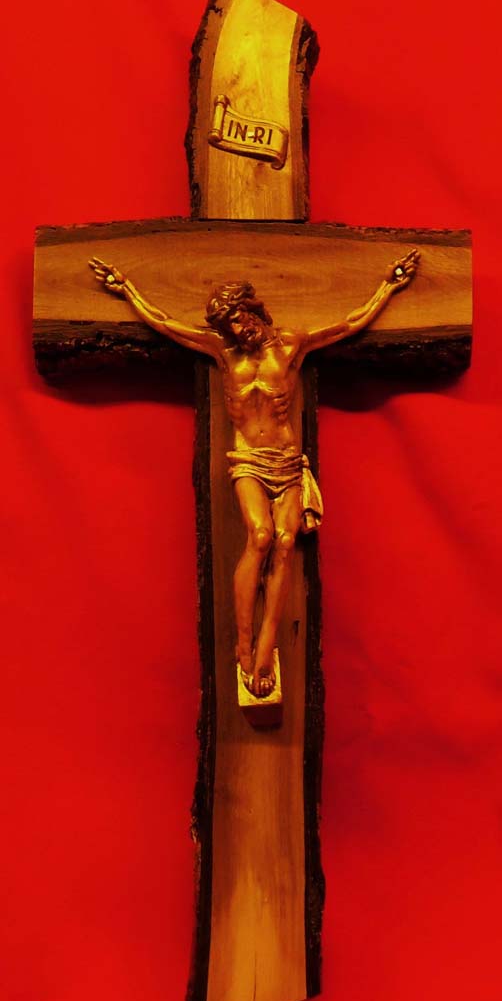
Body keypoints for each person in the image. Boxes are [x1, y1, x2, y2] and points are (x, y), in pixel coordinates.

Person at [90, 249, 419, 699]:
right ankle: (243, 646)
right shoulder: (224, 354)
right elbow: (165, 324)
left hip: (286, 459)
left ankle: (266, 646)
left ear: (253, 310)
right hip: (247, 458)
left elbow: (348, 323)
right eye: (229, 327)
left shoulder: (291, 346)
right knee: (260, 536)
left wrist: (389, 287)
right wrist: (126, 288)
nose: (238, 331)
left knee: (285, 544)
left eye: (240, 320)